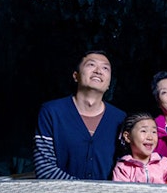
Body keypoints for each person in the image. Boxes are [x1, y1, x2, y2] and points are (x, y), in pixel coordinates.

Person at [33, 50, 127, 180]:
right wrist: (86, 190)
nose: (98, 71)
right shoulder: (52, 112)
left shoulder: (120, 119)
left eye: (105, 68)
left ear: (109, 84)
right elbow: (45, 170)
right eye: (91, 65)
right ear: (75, 76)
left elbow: (125, 168)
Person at [111, 112, 167, 183]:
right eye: (143, 131)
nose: (150, 137)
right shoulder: (123, 167)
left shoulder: (165, 163)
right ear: (127, 136)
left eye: (154, 132)